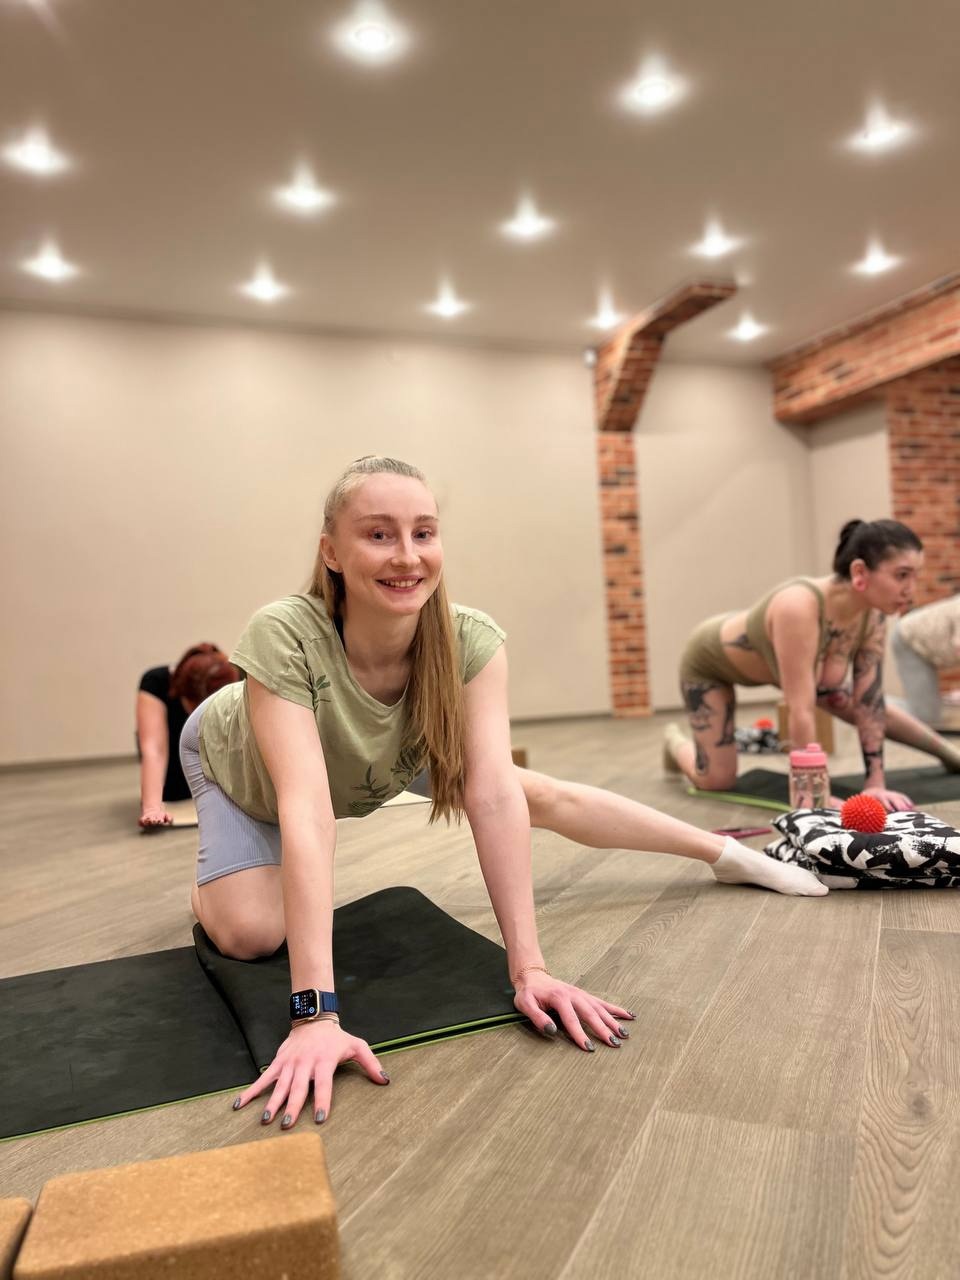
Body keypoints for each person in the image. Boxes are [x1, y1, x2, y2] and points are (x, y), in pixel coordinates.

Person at [181, 456, 826, 1133]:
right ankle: (210, 886)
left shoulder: (469, 640)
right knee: (253, 936)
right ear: (332, 552)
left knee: (535, 793)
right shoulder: (284, 632)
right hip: (241, 769)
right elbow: (308, 811)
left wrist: (531, 970)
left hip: (375, 758)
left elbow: (494, 799)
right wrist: (316, 1016)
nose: (407, 556)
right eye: (378, 534)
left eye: (424, 532)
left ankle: (725, 855)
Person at [664, 519, 960, 811]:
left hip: (791, 673)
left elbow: (869, 704)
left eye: (915, 576)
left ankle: (952, 754)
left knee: (853, 700)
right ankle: (674, 743)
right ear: (860, 572)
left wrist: (875, 784)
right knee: (716, 780)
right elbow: (800, 709)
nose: (911, 590)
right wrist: (812, 791)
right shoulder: (798, 606)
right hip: (710, 665)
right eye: (902, 575)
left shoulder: (873, 616)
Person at [136, 645, 240, 828]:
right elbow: (154, 750)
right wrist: (152, 808)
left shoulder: (232, 679)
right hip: (175, 775)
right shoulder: (156, 682)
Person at [891, 594, 960, 727]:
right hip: (909, 641)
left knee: (931, 712)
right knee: (925, 715)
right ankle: (877, 705)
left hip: (928, 650)